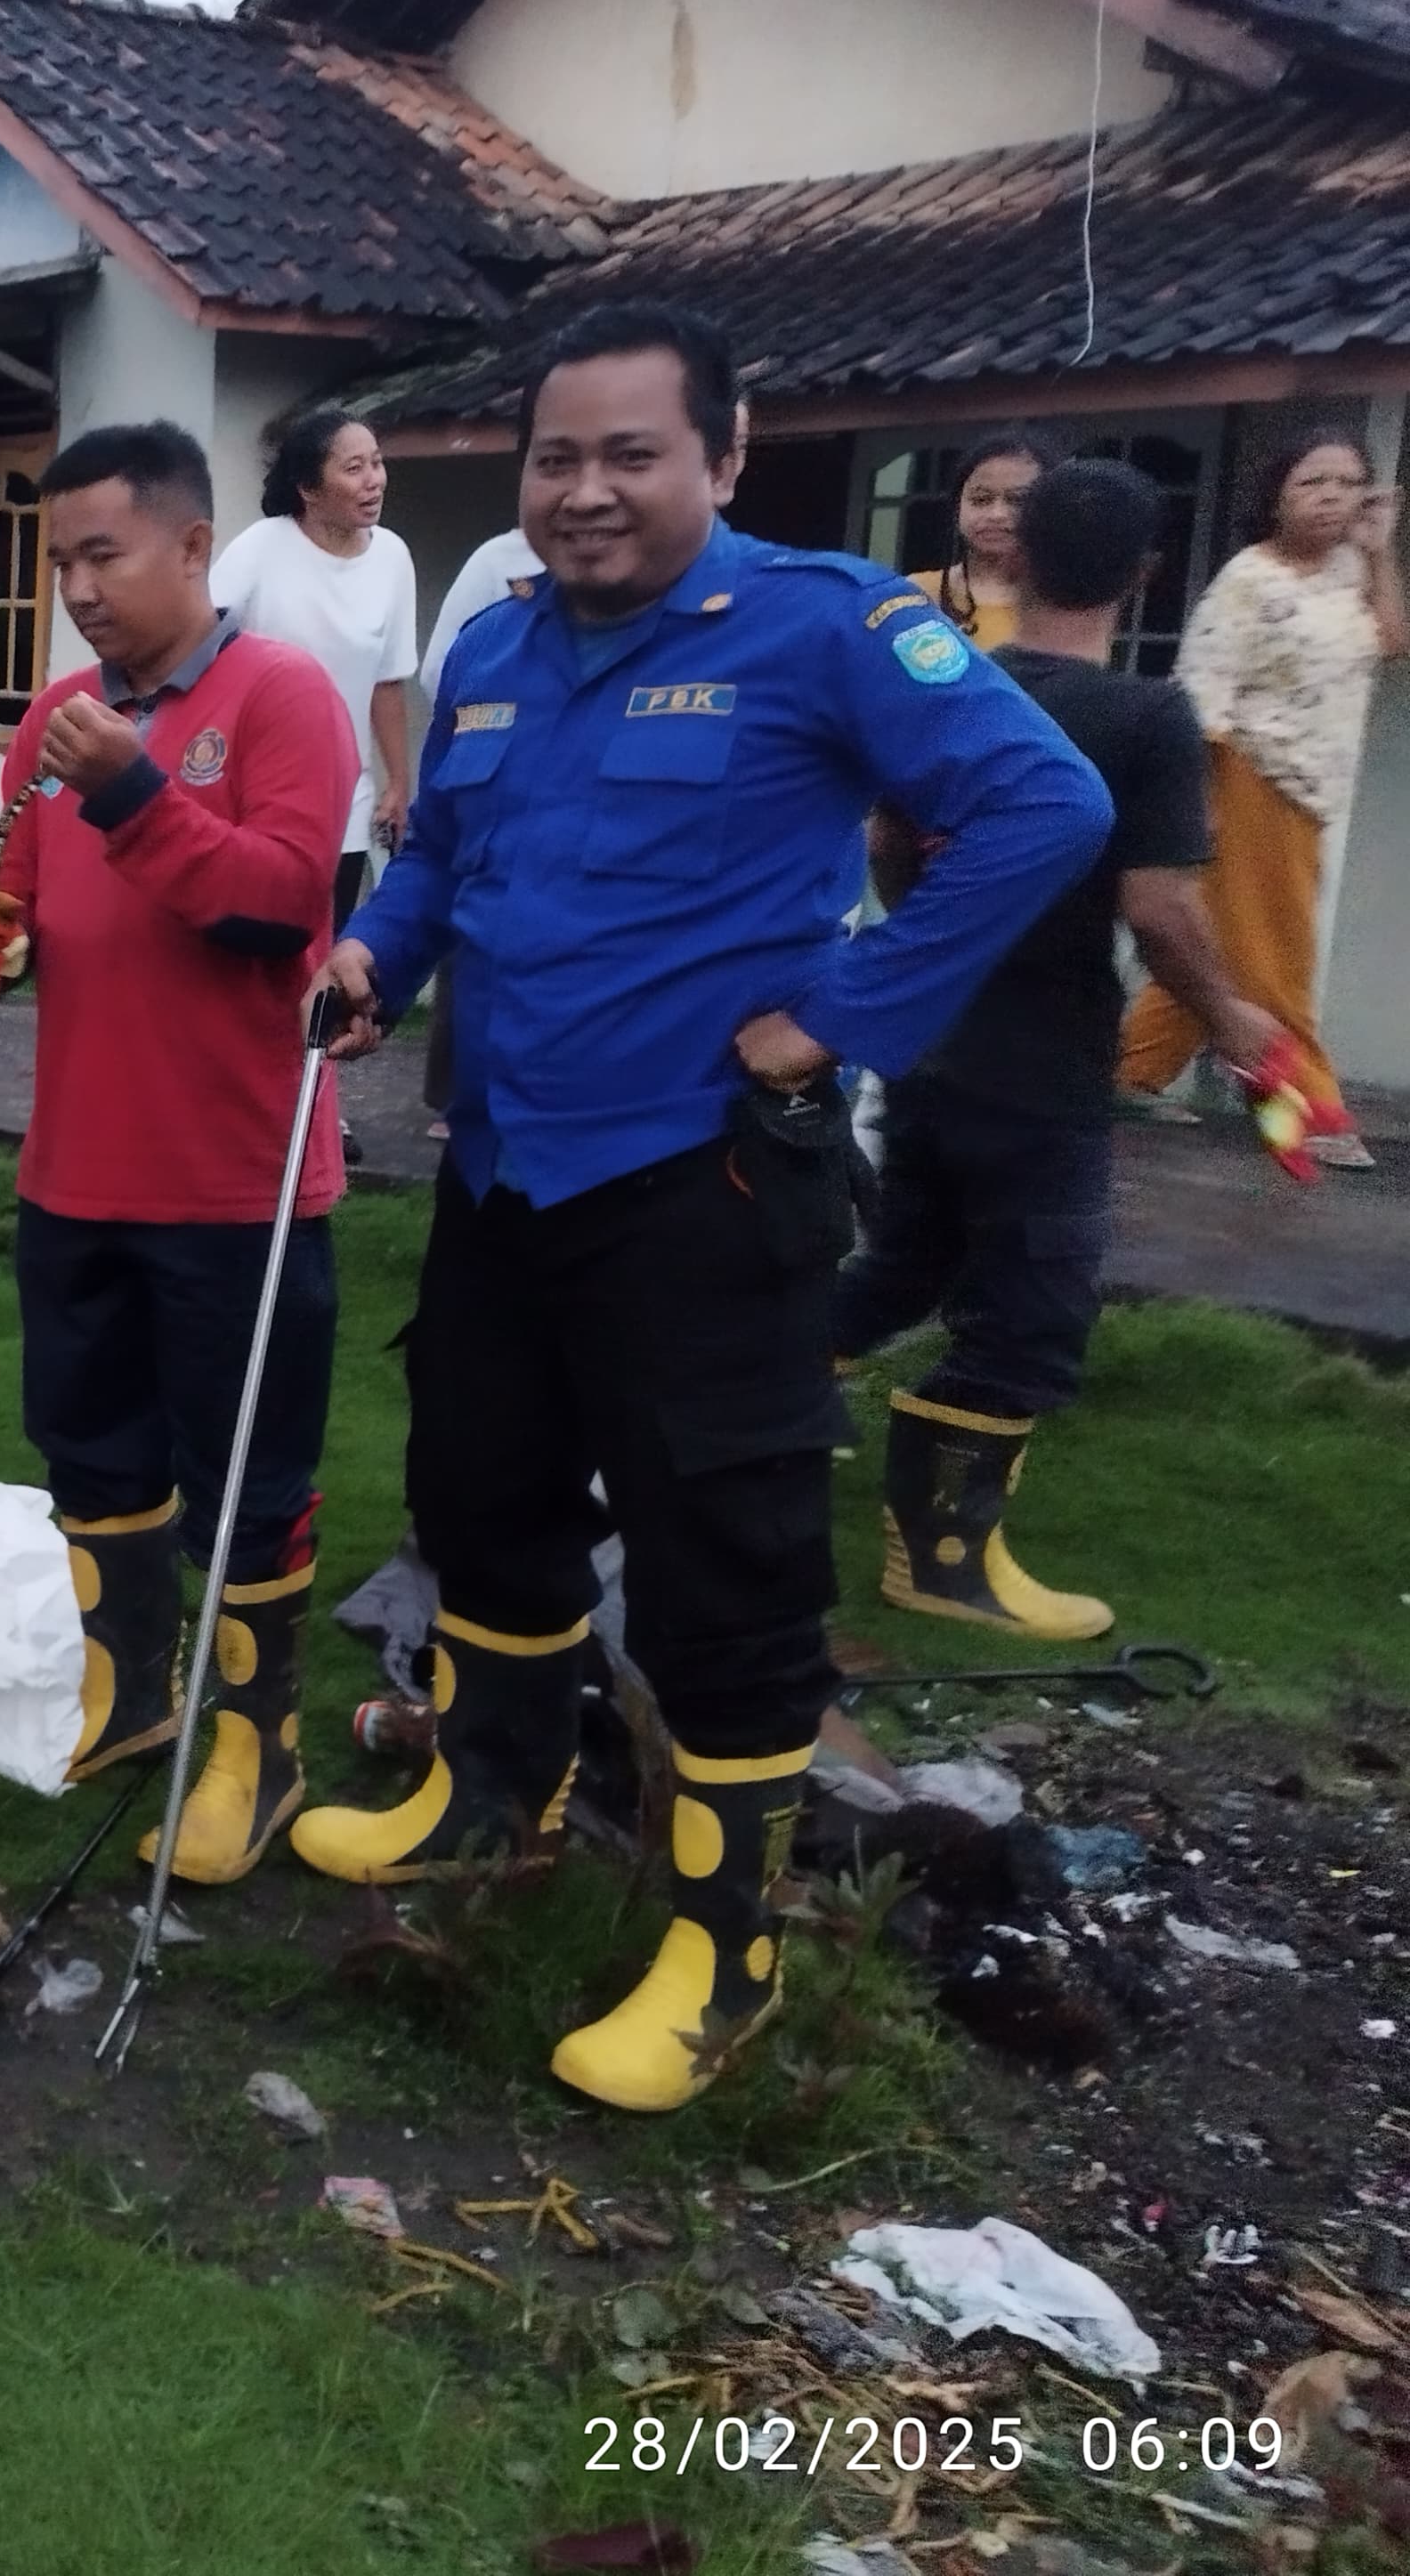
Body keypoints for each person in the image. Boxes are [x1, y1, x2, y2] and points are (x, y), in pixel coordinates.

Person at [307, 302, 1111, 2114]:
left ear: (722, 459)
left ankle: (721, 1949)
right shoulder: (501, 643)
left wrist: (841, 1011)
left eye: (629, 455)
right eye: (554, 459)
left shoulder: (821, 627)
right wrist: (376, 948)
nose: (584, 494)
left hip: (705, 1178)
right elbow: (442, 845)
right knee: (480, 1495)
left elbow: (1038, 807)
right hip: (506, 1163)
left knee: (720, 1567)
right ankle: (487, 1793)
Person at [0, 424, 355, 1880]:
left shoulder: (281, 695)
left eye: (104, 555)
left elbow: (281, 902)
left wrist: (132, 792)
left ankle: (256, 1747)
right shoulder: (56, 715)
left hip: (236, 1184)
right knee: (93, 1455)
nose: (80, 590)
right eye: (61, 565)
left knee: (250, 1477)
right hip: (75, 1170)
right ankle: (129, 1697)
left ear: (190, 545)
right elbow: (23, 904)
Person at [839, 459, 1285, 1640]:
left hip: (931, 1042)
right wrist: (1237, 1023)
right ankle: (939, 1563)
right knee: (1029, 1319)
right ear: (1147, 576)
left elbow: (889, 837)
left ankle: (739, 1418)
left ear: (1016, 557)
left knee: (901, 1267)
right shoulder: (1143, 717)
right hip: (1042, 1066)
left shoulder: (957, 688)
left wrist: (944, 936)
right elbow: (1159, 907)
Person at [1116, 429, 1407, 1167]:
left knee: (1220, 938)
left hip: (1312, 789)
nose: (1332, 496)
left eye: (1347, 482)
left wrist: (1379, 550)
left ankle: (1128, 1072)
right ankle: (1305, 1111)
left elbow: (1393, 641)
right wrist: (1201, 806)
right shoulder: (1249, 579)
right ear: (1277, 495)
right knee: (1274, 954)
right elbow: (1200, 698)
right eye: (1312, 482)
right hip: (1248, 777)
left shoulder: (1351, 570)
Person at [211, 409, 418, 921]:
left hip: (344, 797)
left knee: (323, 958)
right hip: (254, 795)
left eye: (377, 462)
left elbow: (385, 682)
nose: (374, 481)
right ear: (309, 487)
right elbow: (197, 649)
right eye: (353, 468)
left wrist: (399, 783)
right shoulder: (260, 549)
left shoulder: (392, 557)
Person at [408, 528, 547, 1134]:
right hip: (501, 780)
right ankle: (453, 1097)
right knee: (472, 938)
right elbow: (444, 665)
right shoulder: (497, 559)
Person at [905, 431, 1056, 649]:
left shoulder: (1064, 604)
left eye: (1018, 501)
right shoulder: (916, 594)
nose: (997, 514)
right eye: (981, 500)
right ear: (958, 506)